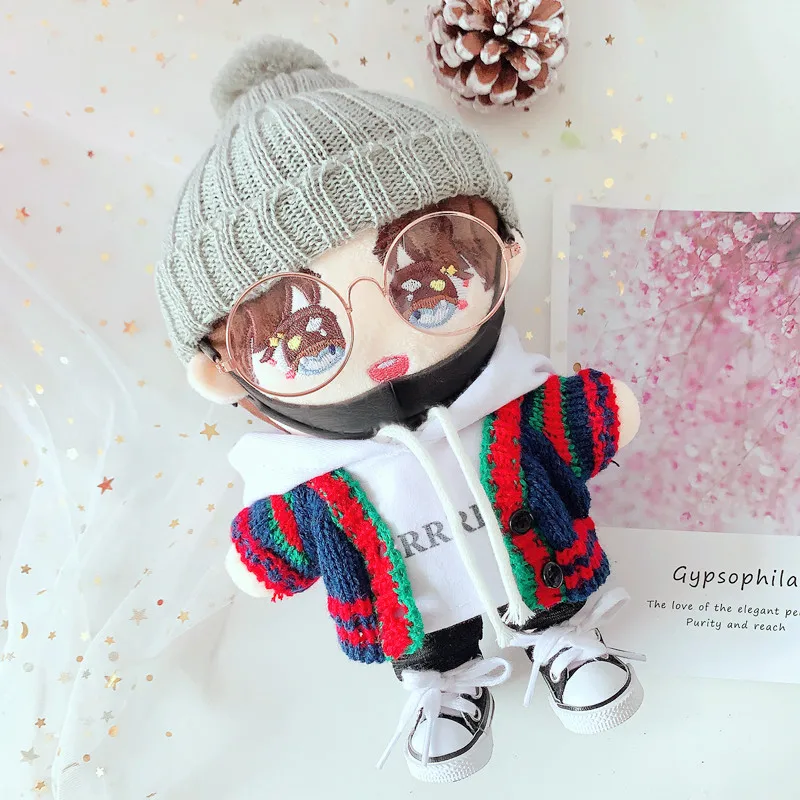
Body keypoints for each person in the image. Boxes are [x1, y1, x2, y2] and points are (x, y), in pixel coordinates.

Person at [156, 36, 644, 784]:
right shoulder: (308, 477)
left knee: (548, 583)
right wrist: (262, 557)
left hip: (543, 567)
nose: (379, 341)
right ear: (221, 376)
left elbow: (586, 417)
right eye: (303, 337)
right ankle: (443, 682)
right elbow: (272, 548)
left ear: (505, 248)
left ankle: (564, 639)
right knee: (422, 631)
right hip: (412, 607)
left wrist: (602, 408)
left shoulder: (510, 404)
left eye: (426, 276)